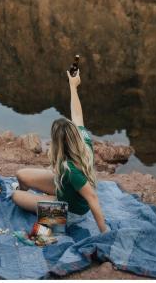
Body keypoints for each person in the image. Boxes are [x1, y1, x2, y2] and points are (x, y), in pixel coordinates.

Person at [12, 71, 108, 234]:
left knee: (15, 196)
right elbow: (77, 114)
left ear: (59, 145)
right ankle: (44, 198)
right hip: (64, 189)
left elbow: (92, 197)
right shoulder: (83, 139)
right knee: (21, 175)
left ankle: (50, 208)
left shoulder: (71, 170)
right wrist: (73, 86)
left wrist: (104, 231)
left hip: (69, 213)